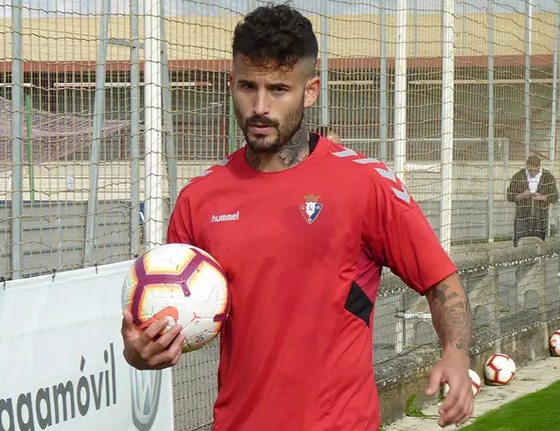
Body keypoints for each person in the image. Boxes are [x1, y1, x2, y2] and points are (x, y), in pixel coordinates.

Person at [121, 4, 474, 430]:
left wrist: (455, 354)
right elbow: (169, 316)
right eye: (247, 86)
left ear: (310, 91)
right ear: (232, 83)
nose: (260, 106)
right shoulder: (199, 199)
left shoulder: (364, 184)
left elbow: (440, 282)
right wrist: (140, 353)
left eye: (278, 89)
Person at [506, 155, 559, 246]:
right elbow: (509, 196)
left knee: (539, 244)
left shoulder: (548, 177)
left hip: (540, 217)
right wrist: (522, 195)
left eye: (535, 170)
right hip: (522, 217)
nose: (533, 173)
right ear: (527, 166)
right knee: (519, 243)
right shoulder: (518, 176)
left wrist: (542, 197)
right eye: (530, 170)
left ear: (539, 167)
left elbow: (555, 197)